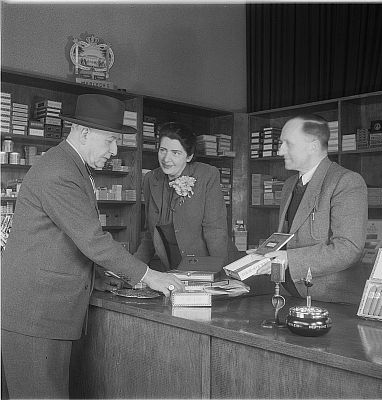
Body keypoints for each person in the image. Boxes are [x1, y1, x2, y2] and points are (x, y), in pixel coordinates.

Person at [1, 94, 184, 399]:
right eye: (111, 140)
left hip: (43, 313)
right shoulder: (60, 171)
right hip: (35, 315)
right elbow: (92, 240)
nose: (114, 150)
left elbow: (61, 242)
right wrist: (150, 276)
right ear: (84, 133)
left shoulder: (70, 165)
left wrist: (102, 277)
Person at [255, 114, 368, 304]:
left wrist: (288, 258)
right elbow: (290, 238)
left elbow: (349, 249)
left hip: (331, 302)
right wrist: (264, 254)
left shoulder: (346, 181)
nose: (280, 150)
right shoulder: (290, 184)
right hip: (289, 295)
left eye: (287, 143)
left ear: (313, 146)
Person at [135, 121, 234, 271]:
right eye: (163, 150)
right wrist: (131, 271)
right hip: (172, 267)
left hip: (207, 265)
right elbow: (151, 234)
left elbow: (215, 230)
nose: (166, 159)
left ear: (189, 156)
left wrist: (223, 273)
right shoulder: (150, 179)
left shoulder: (206, 175)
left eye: (176, 153)